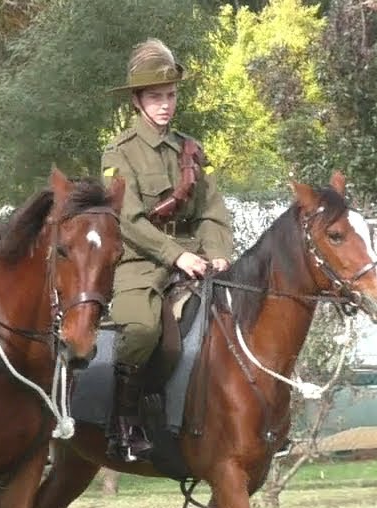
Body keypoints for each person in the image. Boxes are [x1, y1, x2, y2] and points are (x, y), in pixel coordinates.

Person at [101, 38, 234, 463]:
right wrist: (175, 256)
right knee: (141, 331)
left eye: (171, 96)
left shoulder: (190, 149)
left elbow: (213, 209)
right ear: (138, 100)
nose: (165, 105)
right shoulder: (119, 152)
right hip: (141, 260)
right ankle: (124, 420)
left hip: (198, 254)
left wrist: (218, 252)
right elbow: (128, 219)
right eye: (156, 97)